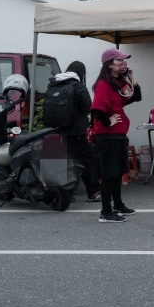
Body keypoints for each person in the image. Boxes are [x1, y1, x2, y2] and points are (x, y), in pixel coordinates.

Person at [91, 49, 142, 223]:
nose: (122, 64)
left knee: (118, 172)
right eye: (119, 61)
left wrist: (132, 78)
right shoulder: (104, 84)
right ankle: (106, 212)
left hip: (118, 135)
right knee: (109, 174)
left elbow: (136, 97)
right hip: (108, 136)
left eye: (123, 61)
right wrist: (108, 121)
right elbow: (97, 108)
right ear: (109, 64)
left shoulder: (116, 83)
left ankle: (118, 205)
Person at [47, 61, 100, 202]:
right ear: (81, 73)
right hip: (75, 131)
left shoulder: (54, 84)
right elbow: (88, 107)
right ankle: (93, 192)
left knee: (63, 161)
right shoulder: (78, 86)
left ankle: (66, 193)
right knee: (87, 159)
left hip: (55, 130)